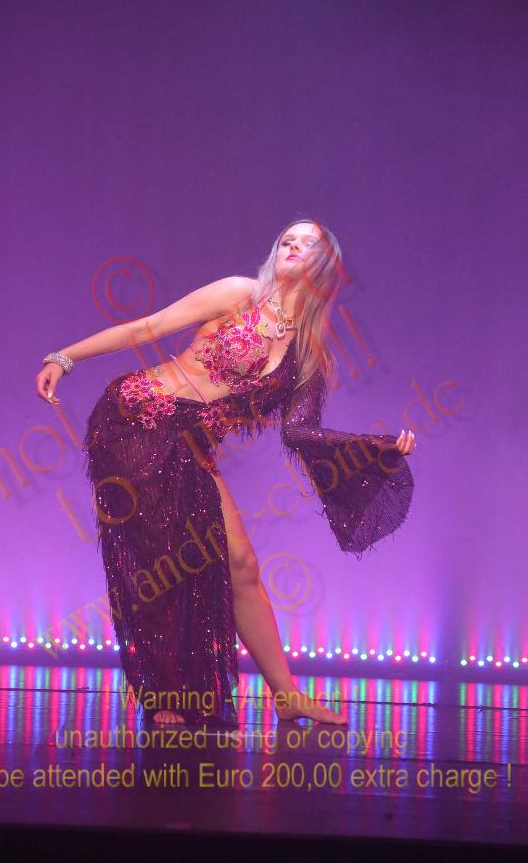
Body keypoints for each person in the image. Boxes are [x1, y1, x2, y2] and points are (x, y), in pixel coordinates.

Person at [35, 218, 415, 728]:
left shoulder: (306, 357)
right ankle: (165, 691)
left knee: (241, 564)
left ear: (327, 265)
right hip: (134, 420)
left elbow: (301, 433)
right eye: (287, 240)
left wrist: (375, 448)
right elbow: (147, 328)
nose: (293, 246)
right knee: (164, 557)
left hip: (190, 446)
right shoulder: (240, 294)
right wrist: (64, 357)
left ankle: (287, 695)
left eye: (308, 243)